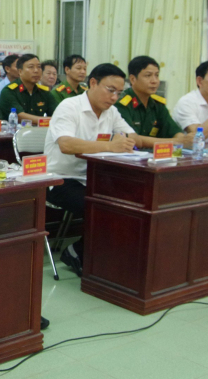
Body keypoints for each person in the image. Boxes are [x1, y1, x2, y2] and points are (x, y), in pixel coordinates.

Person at [44, 63, 141, 276]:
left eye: (119, 92)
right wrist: (110, 146)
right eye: (110, 90)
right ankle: (78, 252)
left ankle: (107, 256)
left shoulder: (111, 111)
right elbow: (66, 144)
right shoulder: (69, 106)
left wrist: (173, 142)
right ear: (94, 83)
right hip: (59, 179)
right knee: (100, 207)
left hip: (93, 178)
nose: (114, 97)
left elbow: (132, 137)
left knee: (130, 202)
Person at [113, 56, 187, 148]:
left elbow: (175, 131)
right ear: (133, 79)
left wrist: (182, 139)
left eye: (157, 75)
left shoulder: (157, 104)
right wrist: (174, 142)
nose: (154, 81)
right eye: (148, 76)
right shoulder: (121, 104)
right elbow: (132, 138)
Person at [0, 54, 56, 124]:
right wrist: (48, 120)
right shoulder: (9, 91)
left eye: (39, 67)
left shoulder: (44, 92)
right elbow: (19, 116)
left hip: (40, 130)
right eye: (31, 67)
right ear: (20, 72)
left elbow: (56, 113)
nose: (36, 71)